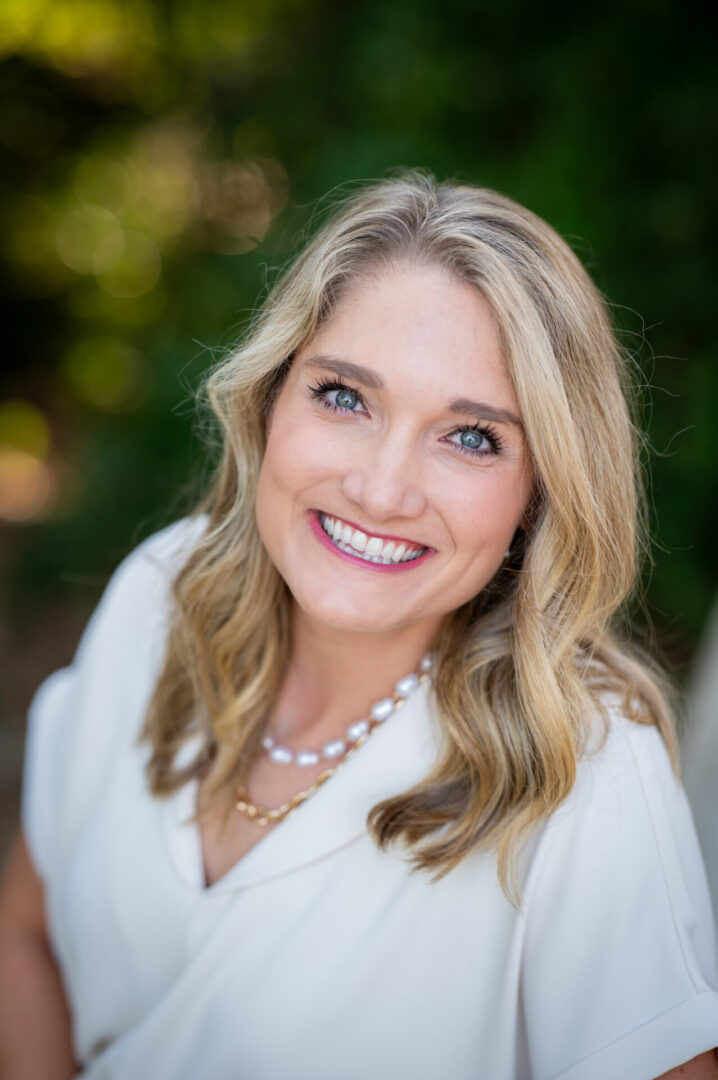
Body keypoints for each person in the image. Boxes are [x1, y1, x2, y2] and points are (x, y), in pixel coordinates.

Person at [0, 172, 716, 1080]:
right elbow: (25, 930)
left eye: (471, 437)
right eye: (345, 396)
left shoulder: (586, 765)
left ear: (542, 496)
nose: (382, 490)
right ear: (271, 395)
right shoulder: (162, 590)